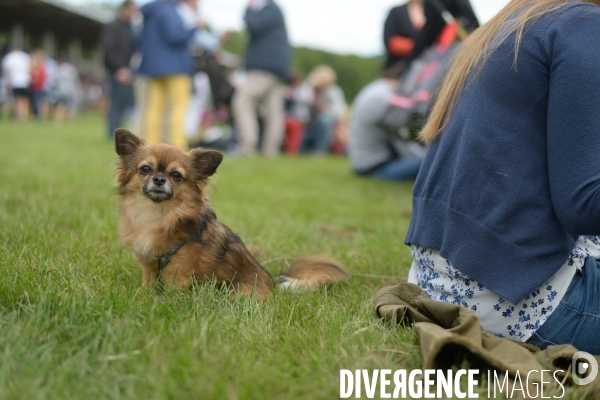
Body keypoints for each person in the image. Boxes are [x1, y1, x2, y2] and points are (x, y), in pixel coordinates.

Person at [405, 0, 600, 354]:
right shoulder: (585, 25)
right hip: (518, 304)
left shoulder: (516, 21)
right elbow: (583, 206)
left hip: (436, 284)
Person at [138, 0, 201, 150]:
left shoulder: (151, 11)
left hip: (153, 67)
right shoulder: (169, 11)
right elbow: (175, 36)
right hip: (176, 68)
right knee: (179, 107)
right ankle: (179, 145)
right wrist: (195, 28)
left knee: (154, 108)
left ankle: (150, 146)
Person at [232, 0, 291, 157]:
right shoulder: (275, 10)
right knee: (273, 110)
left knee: (242, 101)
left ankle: (247, 146)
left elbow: (253, 26)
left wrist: (248, 9)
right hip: (276, 69)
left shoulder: (269, 9)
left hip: (263, 68)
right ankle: (270, 152)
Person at [348, 76, 425, 181]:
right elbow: (402, 141)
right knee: (433, 160)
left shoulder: (375, 88)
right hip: (376, 168)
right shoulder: (382, 98)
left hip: (362, 163)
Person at [383, 0, 478, 73]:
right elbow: (391, 43)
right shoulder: (396, 12)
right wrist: (422, 48)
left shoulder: (437, 8)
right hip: (401, 69)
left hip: (434, 66)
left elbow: (447, 35)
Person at [102, 0, 138, 139]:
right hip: (117, 71)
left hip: (128, 72)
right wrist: (119, 69)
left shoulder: (130, 28)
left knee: (123, 104)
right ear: (125, 9)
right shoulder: (113, 26)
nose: (134, 14)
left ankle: (119, 133)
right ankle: (113, 134)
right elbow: (109, 50)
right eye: (132, 10)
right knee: (115, 104)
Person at [300, 65, 347, 155]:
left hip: (324, 125)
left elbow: (340, 111)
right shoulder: (308, 88)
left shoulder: (334, 91)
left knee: (324, 119)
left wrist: (326, 109)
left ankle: (320, 151)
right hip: (307, 123)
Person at [2, 45, 31, 121]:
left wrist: (7, 82)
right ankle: (23, 116)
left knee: (16, 99)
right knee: (24, 99)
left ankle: (17, 116)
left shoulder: (9, 57)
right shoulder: (25, 56)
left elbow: (6, 71)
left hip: (14, 81)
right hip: (25, 81)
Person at [53, 57, 81, 122]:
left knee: (61, 104)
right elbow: (76, 81)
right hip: (70, 90)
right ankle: (69, 120)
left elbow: (55, 79)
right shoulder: (73, 69)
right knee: (70, 105)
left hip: (61, 89)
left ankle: (58, 120)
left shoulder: (60, 68)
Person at [29, 50, 47, 120]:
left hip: (38, 88)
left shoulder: (41, 67)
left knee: (37, 102)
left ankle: (38, 116)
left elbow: (39, 78)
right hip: (33, 87)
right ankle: (35, 115)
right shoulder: (33, 66)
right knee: (33, 103)